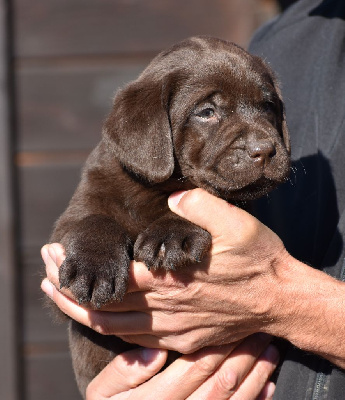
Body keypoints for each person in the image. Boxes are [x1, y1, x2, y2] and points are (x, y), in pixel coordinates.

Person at [41, 0, 345, 398]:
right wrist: (92, 241)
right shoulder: (288, 35)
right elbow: (73, 258)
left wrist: (286, 302)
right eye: (208, 111)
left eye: (265, 108)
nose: (261, 142)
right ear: (150, 130)